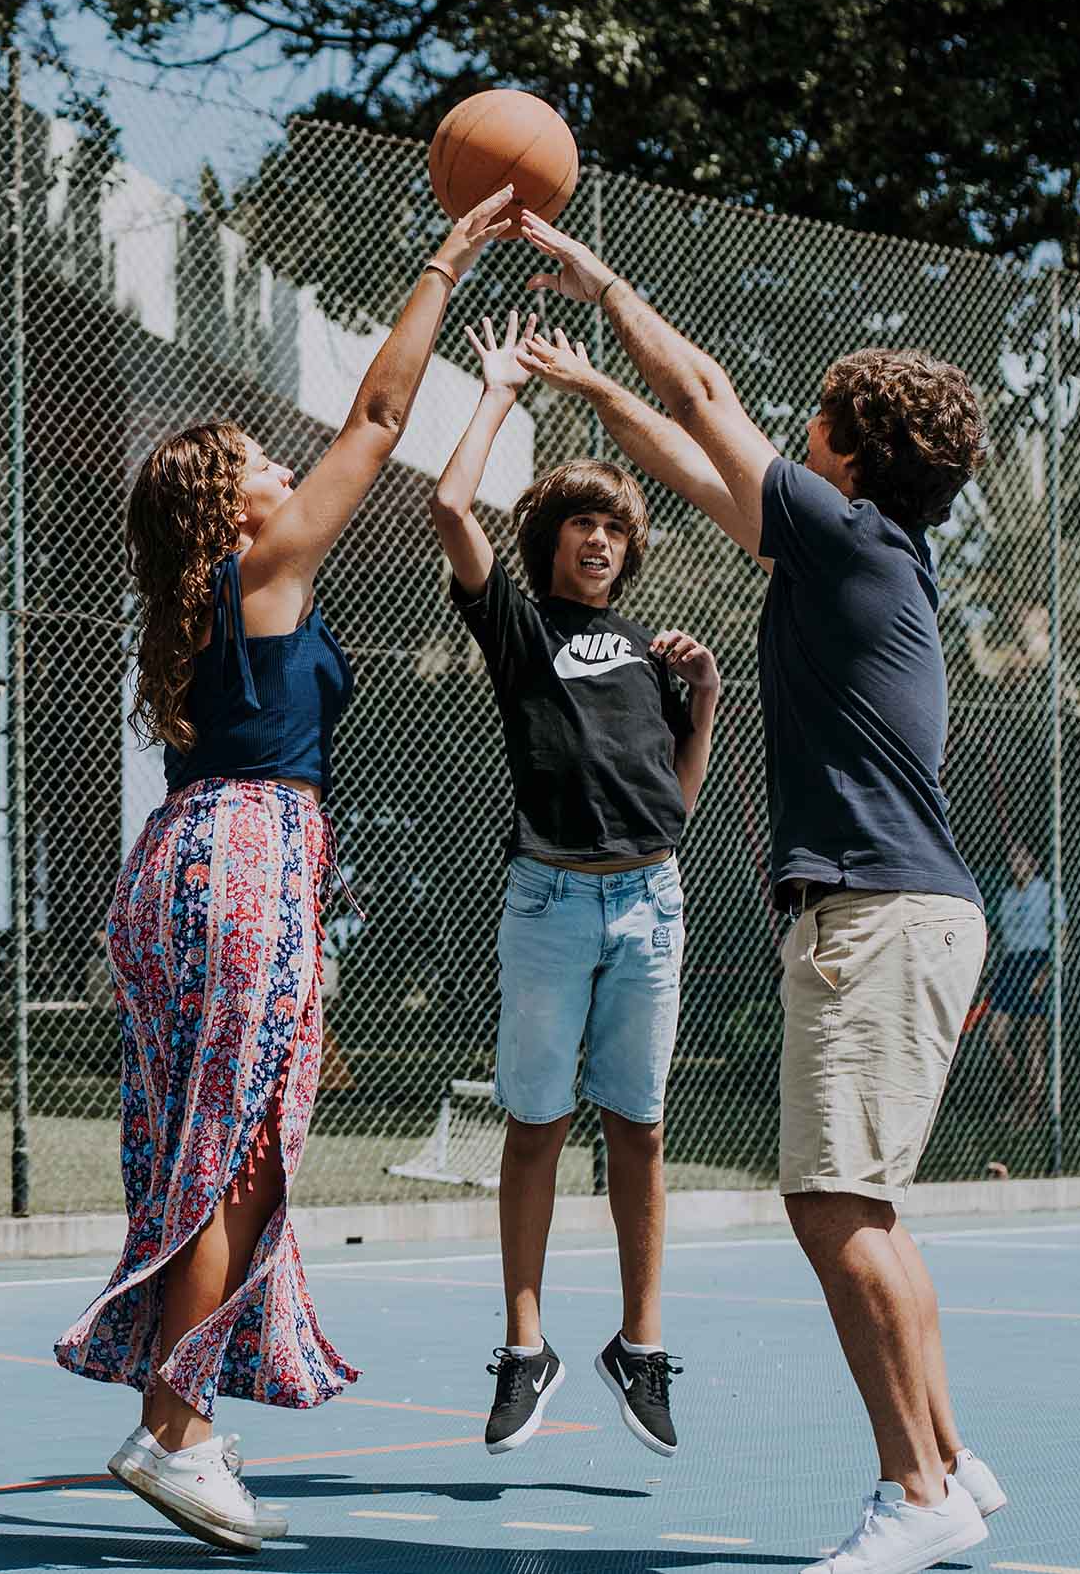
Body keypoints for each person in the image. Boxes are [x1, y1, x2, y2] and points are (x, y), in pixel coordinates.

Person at [513, 211, 1009, 1574]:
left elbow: (710, 399)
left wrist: (605, 285)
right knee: (869, 1208)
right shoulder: (854, 553)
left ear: (848, 450)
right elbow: (707, 463)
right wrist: (599, 390)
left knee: (832, 1207)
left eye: (821, 419)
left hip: (876, 915)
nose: (796, 427)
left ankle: (914, 1493)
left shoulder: (847, 541)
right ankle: (952, 1466)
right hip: (901, 911)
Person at [52, 184, 521, 1555]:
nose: (284, 468)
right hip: (246, 856)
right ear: (230, 507)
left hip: (208, 857)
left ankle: (180, 1416)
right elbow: (377, 423)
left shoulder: (217, 598)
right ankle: (173, 1427)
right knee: (229, 1152)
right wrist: (447, 255)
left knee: (223, 1150)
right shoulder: (257, 573)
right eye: (260, 460)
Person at [426, 312, 720, 1460]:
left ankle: (639, 1345)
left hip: (650, 898)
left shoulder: (652, 650)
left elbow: (673, 805)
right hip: (548, 903)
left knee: (637, 1127)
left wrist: (704, 707)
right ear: (547, 536)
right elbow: (450, 510)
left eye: (613, 525)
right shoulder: (516, 625)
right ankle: (523, 1346)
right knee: (536, 1125)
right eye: (580, 522)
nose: (598, 538)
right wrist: (495, 387)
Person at [985, 843, 1062, 1128]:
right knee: (995, 1034)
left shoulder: (1046, 892)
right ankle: (1020, 1094)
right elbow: (1002, 939)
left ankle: (1031, 1109)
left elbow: (1063, 936)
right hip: (1010, 965)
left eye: (1021, 857)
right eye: (1012, 858)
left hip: (1036, 962)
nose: (1015, 862)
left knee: (1033, 1041)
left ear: (1032, 861)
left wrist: (1045, 974)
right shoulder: (1007, 896)